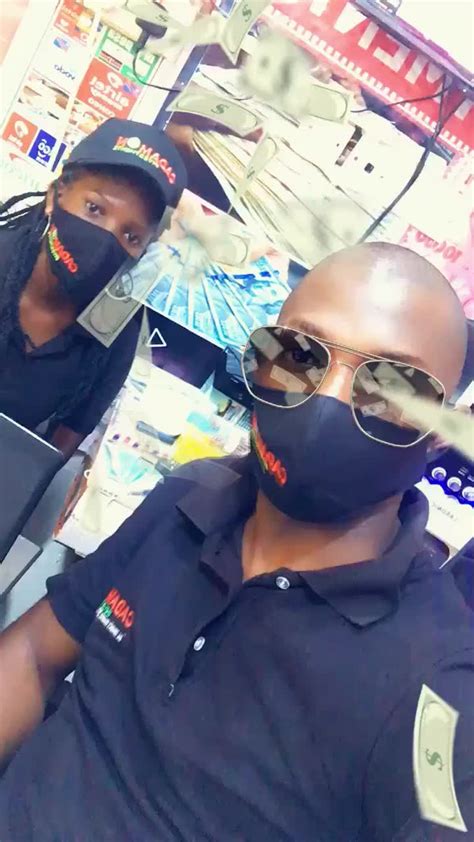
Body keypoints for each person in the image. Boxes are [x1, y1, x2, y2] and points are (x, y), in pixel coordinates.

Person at [0, 242, 473, 841]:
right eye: (298, 354)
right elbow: (35, 654)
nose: (326, 398)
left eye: (394, 387)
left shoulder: (441, 685)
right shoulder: (187, 499)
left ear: (441, 434)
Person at [0, 117, 186, 458]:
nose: (105, 239)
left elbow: (50, 455)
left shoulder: (113, 339)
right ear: (55, 196)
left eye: (131, 236)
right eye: (95, 209)